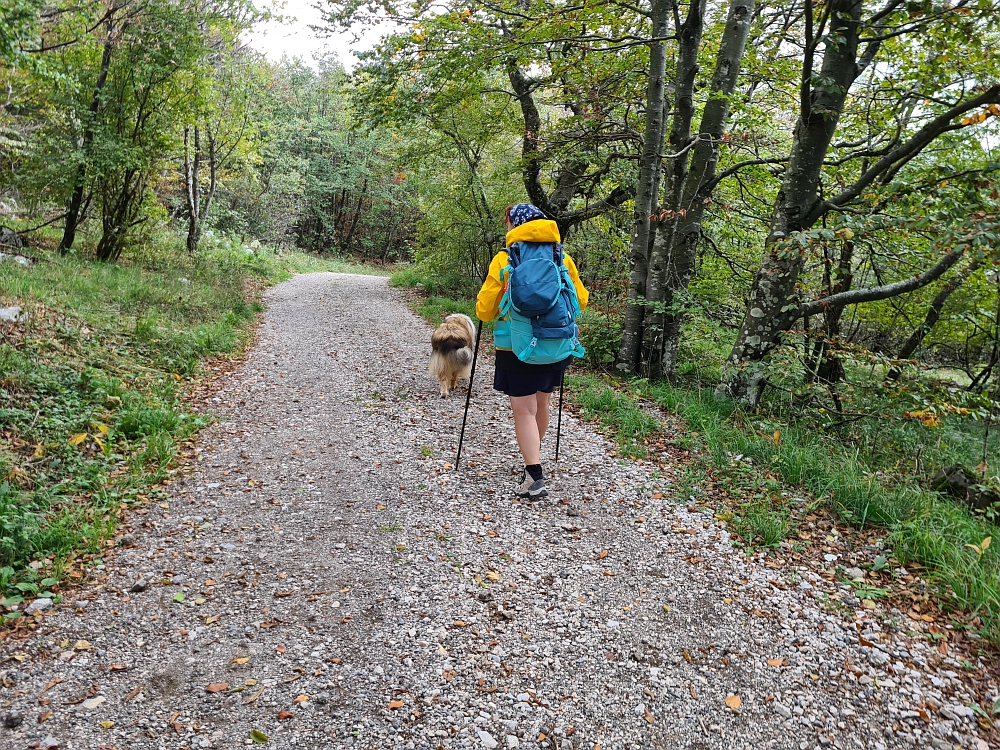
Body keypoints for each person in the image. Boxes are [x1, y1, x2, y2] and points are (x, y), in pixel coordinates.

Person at [475, 203, 588, 499]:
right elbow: (582, 300)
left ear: (515, 224)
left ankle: (534, 476)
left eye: (507, 221)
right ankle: (532, 459)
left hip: (517, 346)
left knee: (523, 410)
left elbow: (485, 311)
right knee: (542, 404)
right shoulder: (561, 257)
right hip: (557, 344)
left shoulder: (505, 259)